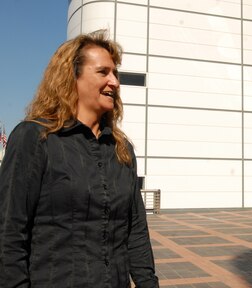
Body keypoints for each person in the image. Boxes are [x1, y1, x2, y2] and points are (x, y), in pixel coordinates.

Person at [0, 30, 159, 287]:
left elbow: (136, 232)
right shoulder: (34, 138)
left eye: (115, 74)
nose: (115, 82)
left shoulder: (122, 149)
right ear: (71, 77)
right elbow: (9, 235)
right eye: (103, 72)